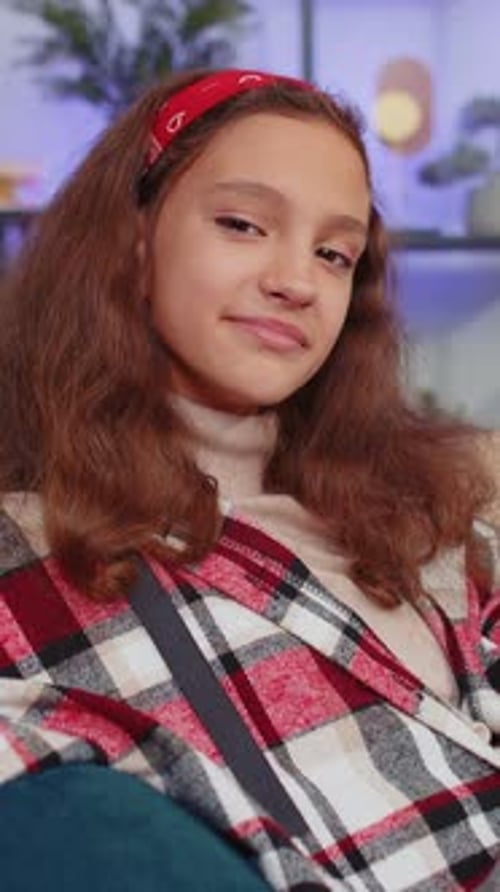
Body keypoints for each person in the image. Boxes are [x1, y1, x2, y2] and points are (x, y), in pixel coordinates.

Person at [0, 66, 499, 892]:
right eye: (242, 224)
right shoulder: (32, 553)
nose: (297, 282)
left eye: (333, 253)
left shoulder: (423, 514)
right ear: (133, 238)